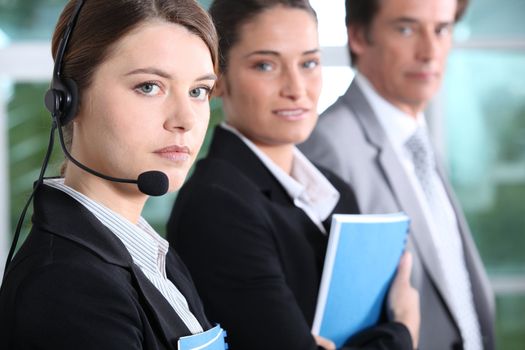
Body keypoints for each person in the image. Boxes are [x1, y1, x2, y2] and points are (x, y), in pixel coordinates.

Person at [167, 1, 419, 349]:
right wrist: (404, 328)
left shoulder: (335, 190)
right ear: (217, 80)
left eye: (309, 63)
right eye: (266, 65)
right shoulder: (217, 206)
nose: (296, 88)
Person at [0, 0, 223, 348]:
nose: (185, 119)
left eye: (198, 91)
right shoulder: (65, 286)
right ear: (68, 100)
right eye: (149, 86)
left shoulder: (149, 253)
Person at [299, 0, 495, 349]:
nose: (430, 51)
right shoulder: (328, 147)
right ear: (359, 36)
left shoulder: (416, 135)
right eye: (406, 29)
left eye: (442, 29)